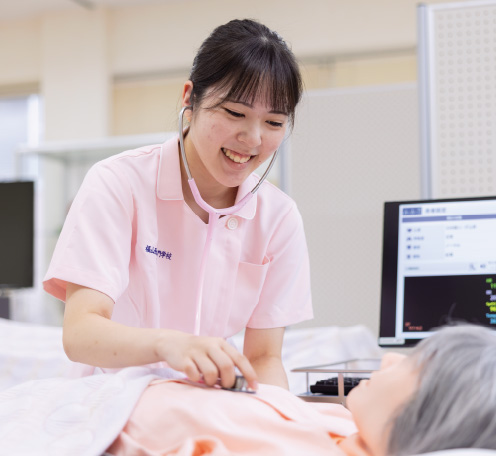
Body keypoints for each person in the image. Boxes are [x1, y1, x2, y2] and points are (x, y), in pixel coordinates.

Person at [42, 19, 312, 390]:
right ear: (190, 97)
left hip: (206, 404)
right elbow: (80, 333)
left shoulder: (278, 218)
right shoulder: (118, 183)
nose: (252, 139)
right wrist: (167, 344)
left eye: (274, 122)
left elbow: (264, 358)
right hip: (112, 397)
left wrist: (276, 417)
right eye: (235, 113)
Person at [104, 325, 496, 455]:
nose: (391, 358)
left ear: (427, 414)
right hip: (116, 391)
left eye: (414, 364)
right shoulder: (346, 422)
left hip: (100, 424)